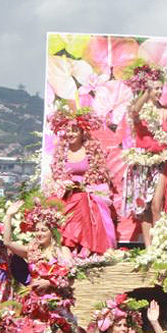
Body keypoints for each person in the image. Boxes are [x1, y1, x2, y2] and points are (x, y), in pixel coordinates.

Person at [3, 200, 76, 333]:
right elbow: (7, 242)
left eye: (43, 230)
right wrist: (9, 215)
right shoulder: (31, 251)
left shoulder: (63, 252)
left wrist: (49, 283)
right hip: (35, 309)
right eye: (36, 230)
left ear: (52, 232)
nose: (39, 233)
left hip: (56, 308)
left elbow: (70, 278)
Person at [120, 64, 167, 247]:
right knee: (144, 206)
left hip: (160, 161)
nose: (158, 91)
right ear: (147, 90)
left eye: (159, 88)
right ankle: (149, 248)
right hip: (142, 161)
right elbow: (133, 112)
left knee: (157, 203)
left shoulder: (166, 112)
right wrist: (145, 93)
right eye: (154, 88)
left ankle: (159, 245)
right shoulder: (139, 111)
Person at [48, 107, 117, 256]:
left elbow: (99, 176)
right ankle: (68, 245)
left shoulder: (91, 151)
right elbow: (56, 177)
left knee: (82, 199)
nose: (71, 134)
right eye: (68, 130)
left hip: (89, 192)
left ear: (82, 133)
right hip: (66, 194)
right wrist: (64, 185)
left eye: (75, 130)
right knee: (66, 200)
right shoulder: (62, 152)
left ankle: (85, 244)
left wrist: (85, 187)